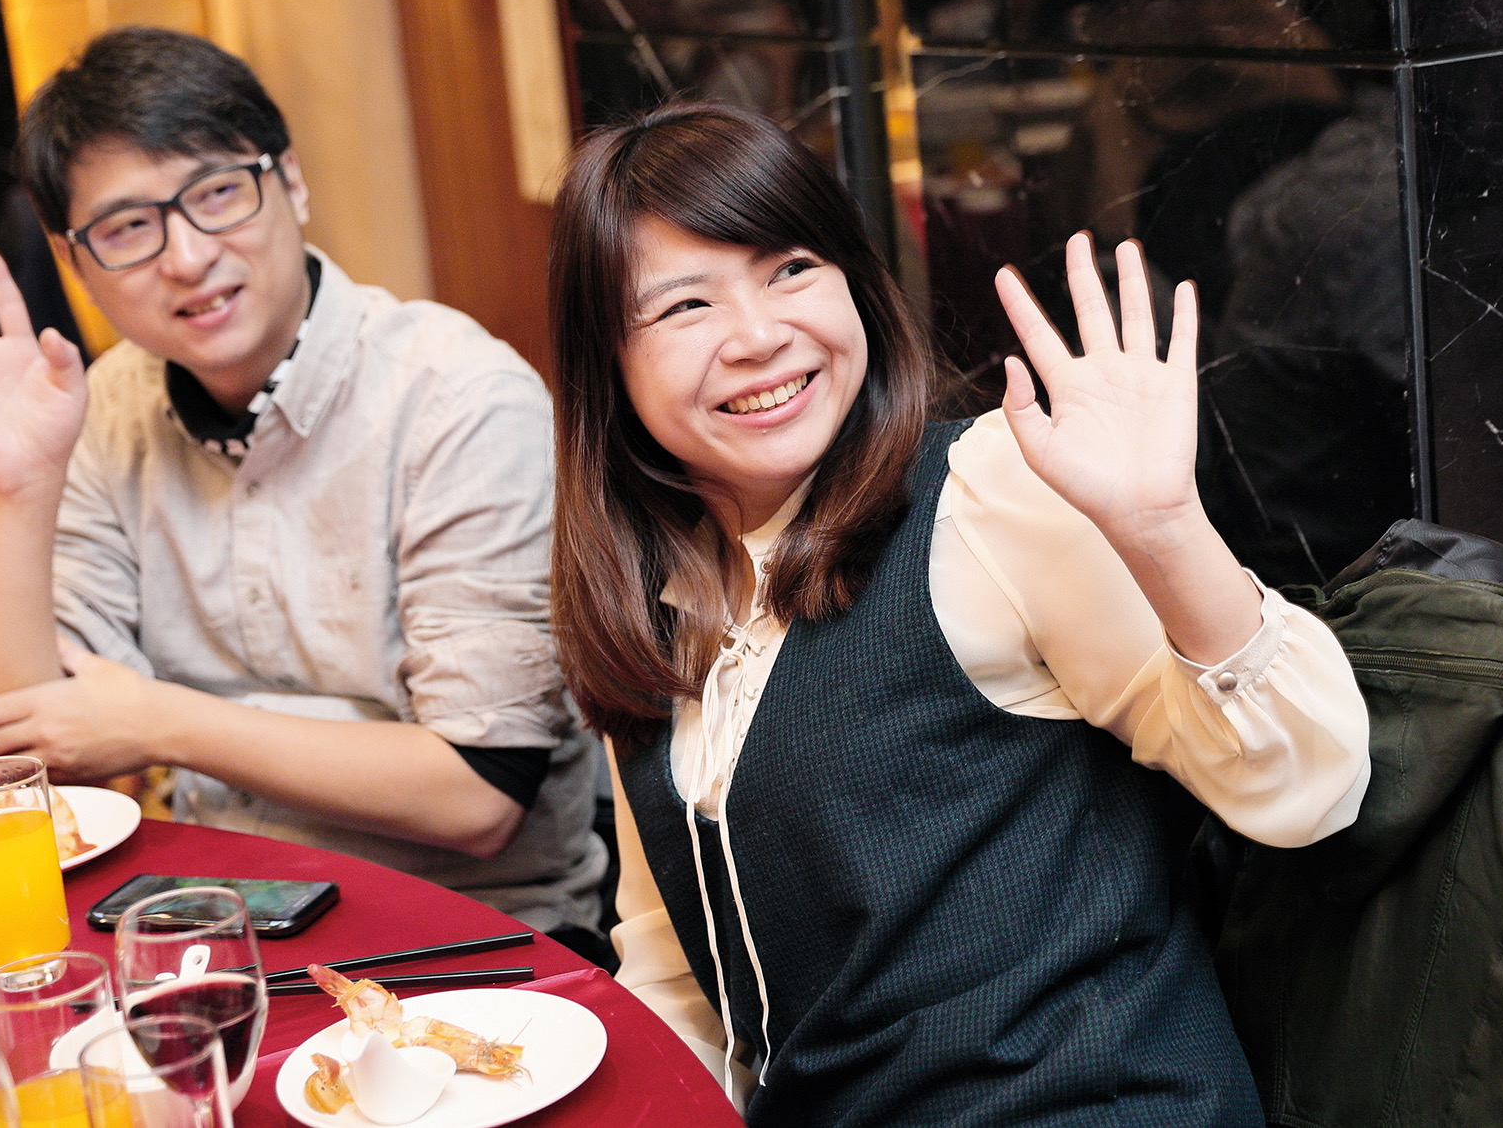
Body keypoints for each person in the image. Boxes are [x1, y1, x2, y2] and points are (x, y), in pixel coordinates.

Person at [549, 102, 1371, 1124]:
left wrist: (1165, 528)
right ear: (607, 364)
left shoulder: (987, 495)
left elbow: (1310, 786)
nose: (758, 337)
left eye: (791, 268)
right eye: (684, 306)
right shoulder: (657, 605)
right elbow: (676, 975)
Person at [0, 27, 606, 942]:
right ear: (75, 264)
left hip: (471, 936)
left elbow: (480, 794)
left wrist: (158, 723)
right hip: (205, 926)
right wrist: (19, 488)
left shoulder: (458, 399)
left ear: (291, 182)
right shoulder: (104, 409)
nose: (187, 256)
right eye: (128, 227)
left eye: (218, 192)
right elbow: (5, 767)